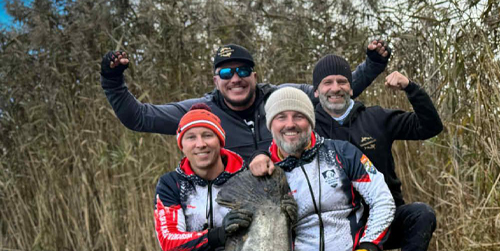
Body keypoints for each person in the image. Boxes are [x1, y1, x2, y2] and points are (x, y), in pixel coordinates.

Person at [250, 54, 443, 251]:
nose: (335, 88)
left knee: (421, 214)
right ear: (316, 91)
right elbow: (279, 138)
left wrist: (411, 88)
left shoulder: (376, 118)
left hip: (381, 212)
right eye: (327, 83)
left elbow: (430, 127)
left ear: (351, 88)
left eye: (342, 81)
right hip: (341, 223)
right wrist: (259, 155)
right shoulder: (306, 127)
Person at [247, 87, 395, 251]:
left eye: (298, 116)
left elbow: (382, 200)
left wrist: (367, 248)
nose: (290, 124)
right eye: (281, 117)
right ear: (270, 125)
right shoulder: (263, 171)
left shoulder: (343, 153)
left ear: (311, 121)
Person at [100, 41, 390, 160]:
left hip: (292, 202)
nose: (235, 78)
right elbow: (139, 118)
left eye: (243, 70)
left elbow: (331, 93)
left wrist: (373, 64)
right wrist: (113, 81)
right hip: (237, 210)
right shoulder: (201, 111)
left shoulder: (281, 97)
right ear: (216, 80)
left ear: (254, 74)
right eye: (226, 72)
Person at [143, 104, 251, 251]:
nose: (200, 144)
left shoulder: (245, 176)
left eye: (207, 135)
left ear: (220, 140)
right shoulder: (171, 184)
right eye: (191, 137)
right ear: (182, 145)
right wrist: (219, 235)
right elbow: (168, 244)